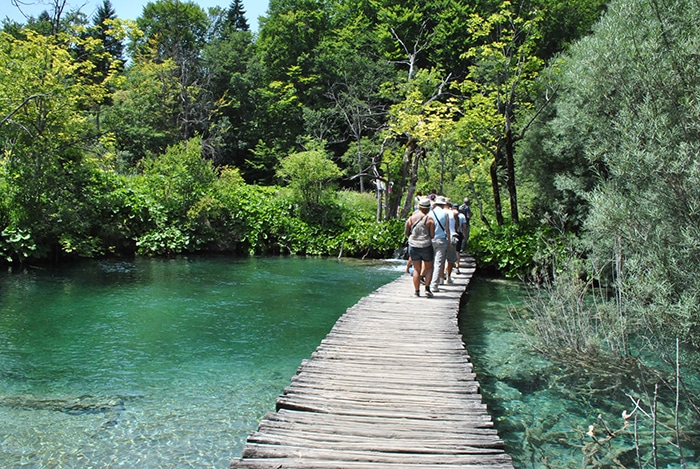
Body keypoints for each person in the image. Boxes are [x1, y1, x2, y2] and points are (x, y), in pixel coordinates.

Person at [405, 197, 435, 297]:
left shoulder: (411, 218)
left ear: (419, 207)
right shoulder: (430, 219)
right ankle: (427, 289)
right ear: (428, 208)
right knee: (429, 268)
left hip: (413, 245)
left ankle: (417, 292)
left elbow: (406, 233)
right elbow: (432, 235)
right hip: (426, 245)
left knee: (417, 269)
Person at [429, 196, 450, 293]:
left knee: (430, 262)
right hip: (441, 240)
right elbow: (447, 229)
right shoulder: (445, 214)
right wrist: (449, 241)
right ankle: (434, 285)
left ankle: (427, 284)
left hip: (430, 240)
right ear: (443, 204)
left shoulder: (430, 213)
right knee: (438, 263)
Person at [445, 202, 460, 284]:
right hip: (451, 235)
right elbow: (456, 213)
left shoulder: (437, 212)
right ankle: (448, 277)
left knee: (441, 258)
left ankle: (440, 277)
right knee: (450, 259)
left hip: (441, 237)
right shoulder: (453, 212)